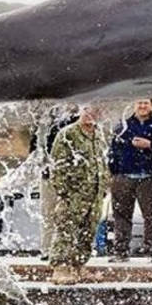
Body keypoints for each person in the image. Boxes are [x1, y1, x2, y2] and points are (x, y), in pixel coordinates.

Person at [48, 105, 109, 284]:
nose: (92, 114)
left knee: (88, 232)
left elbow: (101, 162)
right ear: (80, 111)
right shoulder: (68, 134)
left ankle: (78, 267)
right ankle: (60, 269)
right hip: (73, 194)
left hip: (94, 194)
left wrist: (104, 185)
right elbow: (57, 166)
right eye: (88, 109)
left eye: (96, 111)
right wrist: (64, 193)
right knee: (66, 230)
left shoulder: (98, 134)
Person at [107, 98, 152, 263]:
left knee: (150, 216)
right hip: (123, 177)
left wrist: (150, 145)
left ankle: (150, 251)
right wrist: (114, 172)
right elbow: (112, 150)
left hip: (150, 177)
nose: (142, 106)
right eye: (139, 103)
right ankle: (120, 251)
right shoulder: (122, 125)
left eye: (145, 103)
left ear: (151, 105)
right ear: (134, 105)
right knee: (121, 215)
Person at [28, 104, 79, 261]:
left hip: (69, 177)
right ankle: (47, 249)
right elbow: (33, 151)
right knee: (48, 214)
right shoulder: (42, 128)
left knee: (68, 214)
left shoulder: (75, 123)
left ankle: (66, 249)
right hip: (48, 177)